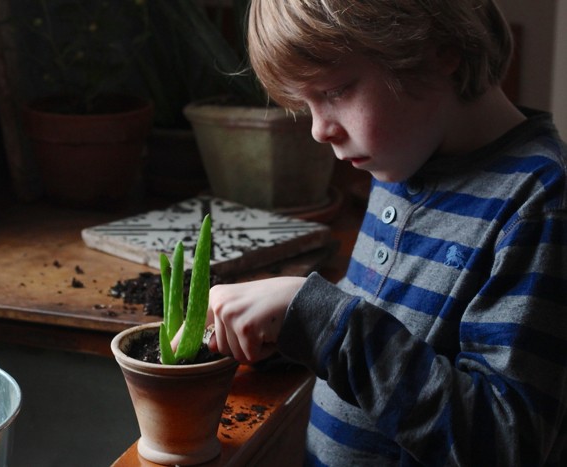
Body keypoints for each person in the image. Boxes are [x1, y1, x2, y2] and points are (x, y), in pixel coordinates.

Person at [201, 1, 567, 465]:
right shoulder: (402, 162)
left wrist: (326, 324)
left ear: (439, 50)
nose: (318, 130)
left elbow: (507, 443)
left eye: (335, 91)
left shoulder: (540, 204)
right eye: (305, 103)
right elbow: (389, 336)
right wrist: (289, 335)